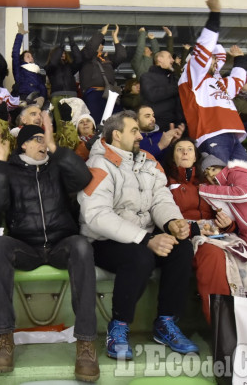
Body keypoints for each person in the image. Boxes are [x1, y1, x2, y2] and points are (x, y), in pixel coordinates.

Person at [0, 116, 99, 382]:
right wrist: (1, 159)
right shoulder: (9, 169)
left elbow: (83, 178)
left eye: (44, 139)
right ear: (23, 145)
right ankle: (3, 339)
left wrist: (55, 148)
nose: (43, 144)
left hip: (61, 242)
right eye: (37, 139)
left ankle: (85, 344)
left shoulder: (56, 166)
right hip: (26, 246)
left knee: (81, 246)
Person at [78, 110, 198, 359]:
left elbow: (160, 197)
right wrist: (145, 239)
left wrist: (172, 221)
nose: (141, 136)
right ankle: (119, 326)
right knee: (140, 257)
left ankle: (165, 322)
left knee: (182, 247)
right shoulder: (98, 164)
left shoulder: (148, 161)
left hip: (144, 237)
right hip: (105, 242)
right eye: (134, 131)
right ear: (116, 134)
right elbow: (96, 215)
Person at [163, 139, 247, 323]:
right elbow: (164, 214)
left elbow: (228, 213)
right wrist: (193, 228)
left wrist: (227, 224)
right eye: (179, 149)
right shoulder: (166, 180)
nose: (184, 153)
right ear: (172, 156)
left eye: (189, 149)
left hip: (217, 233)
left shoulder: (207, 181)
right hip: (185, 233)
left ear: (195, 156)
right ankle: (222, 325)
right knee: (213, 256)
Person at [178, 0, 247, 162]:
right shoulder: (192, 76)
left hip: (233, 134)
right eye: (212, 58)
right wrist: (215, 15)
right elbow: (203, 47)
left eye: (217, 60)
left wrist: (239, 59)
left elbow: (238, 81)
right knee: (220, 182)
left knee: (245, 182)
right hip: (209, 134)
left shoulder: (218, 81)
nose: (215, 62)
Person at [79, 24, 127, 122]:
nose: (100, 44)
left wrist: (115, 38)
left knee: (115, 122)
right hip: (94, 94)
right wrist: (101, 33)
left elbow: (121, 56)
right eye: (98, 43)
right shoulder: (85, 58)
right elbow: (91, 48)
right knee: (97, 122)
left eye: (102, 43)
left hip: (110, 94)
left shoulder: (106, 59)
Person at [140, 48, 185, 131]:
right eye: (169, 57)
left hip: (177, 125)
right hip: (158, 125)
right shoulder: (147, 77)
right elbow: (152, 95)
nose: (172, 60)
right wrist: (177, 88)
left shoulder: (174, 78)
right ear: (159, 59)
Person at [12, 23, 47, 99]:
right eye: (28, 56)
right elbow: (15, 53)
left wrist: (43, 99)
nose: (31, 58)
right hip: (23, 97)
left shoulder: (37, 72)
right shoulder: (19, 69)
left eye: (31, 57)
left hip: (36, 99)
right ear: (22, 59)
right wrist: (20, 35)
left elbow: (42, 87)